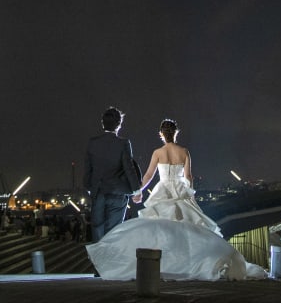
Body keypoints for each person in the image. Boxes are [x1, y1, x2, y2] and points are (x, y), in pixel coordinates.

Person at [86, 117, 267, 281]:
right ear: (176, 133)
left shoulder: (158, 152)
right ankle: (189, 264)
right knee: (188, 232)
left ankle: (162, 264)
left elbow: (148, 175)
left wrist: (138, 191)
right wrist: (190, 194)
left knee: (161, 231)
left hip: (163, 191)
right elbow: (188, 176)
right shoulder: (184, 151)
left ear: (161, 135)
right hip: (180, 191)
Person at [83, 106, 140, 242]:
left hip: (98, 192)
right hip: (117, 193)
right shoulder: (123, 143)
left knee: (97, 231)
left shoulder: (92, 143)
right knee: (113, 232)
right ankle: (110, 260)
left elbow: (88, 169)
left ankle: (99, 260)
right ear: (119, 124)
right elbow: (129, 168)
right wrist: (136, 190)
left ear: (102, 123)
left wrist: (89, 188)